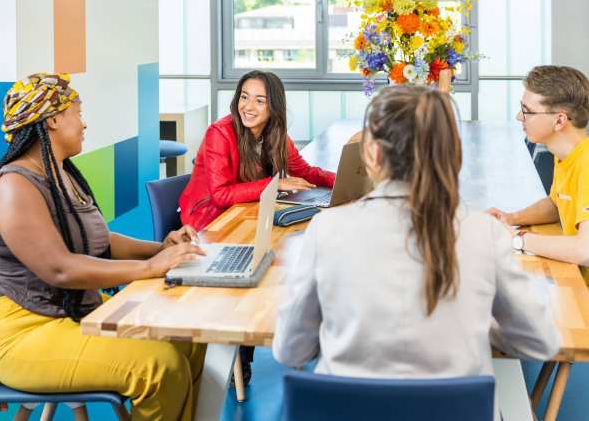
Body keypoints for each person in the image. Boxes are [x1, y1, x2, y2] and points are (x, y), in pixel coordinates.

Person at [272, 85, 559, 418]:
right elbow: (541, 342)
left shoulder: (325, 230)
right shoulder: (484, 232)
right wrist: (476, 328)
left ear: (372, 155)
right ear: (452, 154)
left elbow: (290, 348)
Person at [0, 73, 207, 421]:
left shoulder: (63, 173)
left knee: (185, 337)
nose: (84, 122)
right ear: (54, 118)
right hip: (26, 331)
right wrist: (150, 269)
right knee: (159, 367)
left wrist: (159, 248)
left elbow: (99, 241)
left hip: (75, 310)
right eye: (78, 111)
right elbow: (59, 268)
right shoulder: (15, 185)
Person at [178, 70, 335, 231]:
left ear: (274, 107)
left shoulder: (275, 133)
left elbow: (304, 171)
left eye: (259, 101)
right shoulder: (219, 133)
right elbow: (220, 195)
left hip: (243, 210)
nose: (248, 107)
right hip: (209, 220)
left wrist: (339, 181)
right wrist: (275, 185)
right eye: (244, 97)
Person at [487, 66, 589, 279]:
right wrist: (512, 217)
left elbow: (585, 250)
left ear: (559, 120)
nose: (519, 117)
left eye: (527, 111)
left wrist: (516, 239)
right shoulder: (565, 154)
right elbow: (556, 203)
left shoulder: (586, 164)